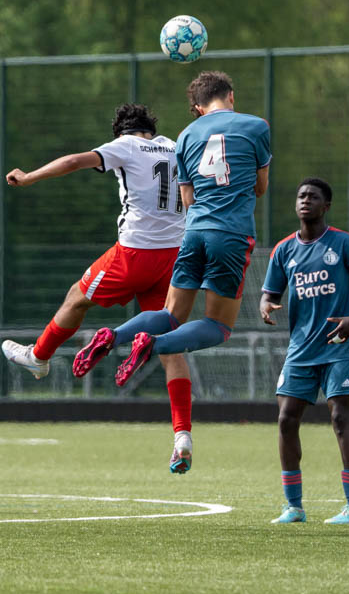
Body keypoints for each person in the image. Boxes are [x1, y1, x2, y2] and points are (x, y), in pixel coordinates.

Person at [75, 71, 270, 473]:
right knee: (218, 326)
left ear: (197, 108)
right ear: (231, 96)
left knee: (169, 315)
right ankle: (152, 346)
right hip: (231, 235)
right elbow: (260, 187)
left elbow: (187, 197)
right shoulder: (255, 126)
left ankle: (116, 335)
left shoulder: (185, 137)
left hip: (192, 233)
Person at [0, 103, 188, 444]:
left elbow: (73, 161)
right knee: (170, 344)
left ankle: (38, 357)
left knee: (76, 297)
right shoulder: (175, 146)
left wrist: (29, 177)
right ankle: (182, 435)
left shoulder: (126, 145)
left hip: (135, 254)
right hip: (175, 257)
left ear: (120, 133)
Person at [260, 178, 349, 525]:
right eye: (301, 196)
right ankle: (293, 507)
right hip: (300, 351)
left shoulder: (344, 244)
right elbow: (270, 294)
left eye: (313, 197)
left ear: (326, 206)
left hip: (339, 347)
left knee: (341, 419)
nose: (305, 200)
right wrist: (266, 307)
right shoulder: (284, 250)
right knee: (285, 421)